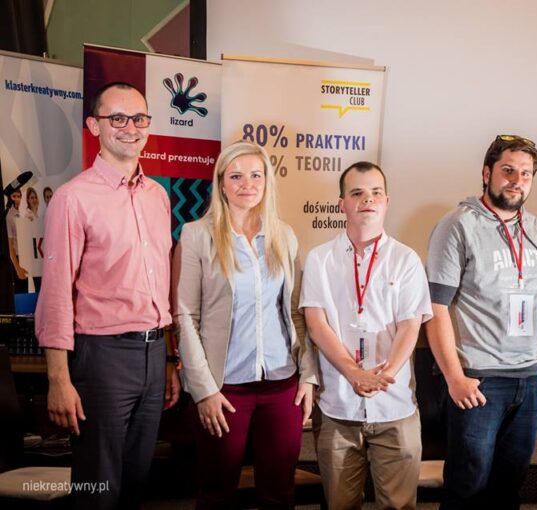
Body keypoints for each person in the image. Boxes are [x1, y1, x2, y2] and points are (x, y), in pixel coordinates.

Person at [35, 81, 180, 510]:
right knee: (98, 490)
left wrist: (169, 360)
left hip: (154, 354)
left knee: (136, 485)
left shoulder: (158, 196)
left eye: (139, 118)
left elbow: (160, 289)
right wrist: (58, 379)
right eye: (117, 118)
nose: (130, 127)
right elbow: (56, 293)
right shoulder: (72, 198)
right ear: (94, 125)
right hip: (102, 357)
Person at [425, 135, 537, 509]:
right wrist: (455, 377)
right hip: (479, 378)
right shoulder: (458, 225)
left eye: (526, 173)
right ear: (487, 173)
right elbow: (435, 308)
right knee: (467, 486)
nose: (517, 180)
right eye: (508, 170)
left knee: (509, 486)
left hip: (529, 379)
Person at [173, 141, 317, 509]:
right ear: (221, 183)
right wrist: (203, 391)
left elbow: (297, 313)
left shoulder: (284, 235)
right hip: (224, 389)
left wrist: (308, 375)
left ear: (267, 181)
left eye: (256, 175)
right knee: (217, 493)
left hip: (282, 386)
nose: (247, 184)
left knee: (280, 494)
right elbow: (185, 317)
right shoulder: (196, 235)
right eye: (236, 176)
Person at [300, 161, 432, 510]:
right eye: (357, 193)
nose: (367, 199)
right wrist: (354, 374)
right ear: (342, 203)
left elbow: (410, 326)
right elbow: (316, 324)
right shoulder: (319, 259)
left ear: (387, 201)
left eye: (375, 192)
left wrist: (383, 377)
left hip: (394, 405)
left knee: (399, 507)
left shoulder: (406, 260)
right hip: (338, 407)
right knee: (340, 505)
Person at [5, 188, 27, 292]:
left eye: (19, 196)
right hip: (16, 258)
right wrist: (17, 268)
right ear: (10, 198)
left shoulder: (23, 214)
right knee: (19, 291)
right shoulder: (9, 216)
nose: (17, 199)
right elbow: (10, 246)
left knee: (25, 289)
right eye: (14, 196)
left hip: (26, 256)